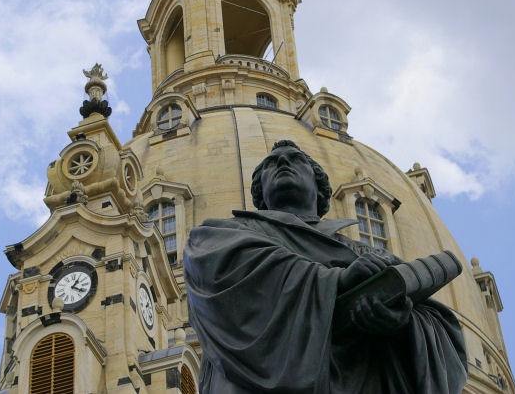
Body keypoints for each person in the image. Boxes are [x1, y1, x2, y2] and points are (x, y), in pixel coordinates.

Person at [184, 140, 467, 393]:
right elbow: (217, 268)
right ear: (260, 194)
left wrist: (401, 322)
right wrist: (335, 282)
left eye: (297, 160)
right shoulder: (224, 235)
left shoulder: (364, 254)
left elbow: (445, 340)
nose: (282, 162)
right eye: (270, 164)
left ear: (320, 187)